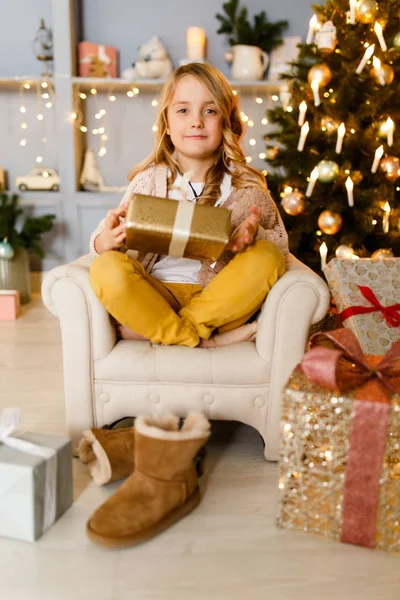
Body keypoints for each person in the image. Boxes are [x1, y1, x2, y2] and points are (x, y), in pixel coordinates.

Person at [89, 62, 288, 348]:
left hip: (220, 299)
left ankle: (172, 332)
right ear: (167, 124)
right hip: (156, 297)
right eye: (183, 110)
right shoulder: (148, 182)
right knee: (106, 268)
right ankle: (200, 338)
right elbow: (99, 243)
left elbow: (281, 245)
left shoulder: (247, 186)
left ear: (226, 122)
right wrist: (106, 240)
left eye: (209, 111)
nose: (196, 121)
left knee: (267, 256)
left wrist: (255, 237)